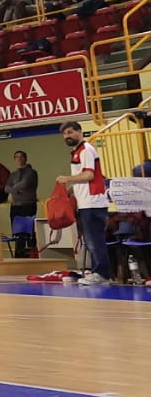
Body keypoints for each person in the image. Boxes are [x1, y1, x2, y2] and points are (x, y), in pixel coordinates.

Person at [58, 122, 111, 285]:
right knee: (91, 241)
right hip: (85, 202)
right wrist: (71, 190)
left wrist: (67, 179)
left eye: (70, 132)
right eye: (65, 134)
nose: (67, 136)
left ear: (79, 132)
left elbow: (89, 175)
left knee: (95, 240)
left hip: (93, 202)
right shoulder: (77, 152)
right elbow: (83, 177)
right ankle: (97, 272)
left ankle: (102, 274)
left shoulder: (86, 150)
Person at [7, 150, 39, 258]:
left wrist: (13, 188)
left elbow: (24, 184)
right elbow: (6, 188)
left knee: (29, 232)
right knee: (17, 233)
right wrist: (16, 190)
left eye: (21, 157)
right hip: (15, 205)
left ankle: (32, 255)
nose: (19, 159)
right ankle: (19, 257)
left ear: (25, 158)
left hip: (28, 204)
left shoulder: (31, 172)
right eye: (16, 157)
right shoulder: (13, 174)